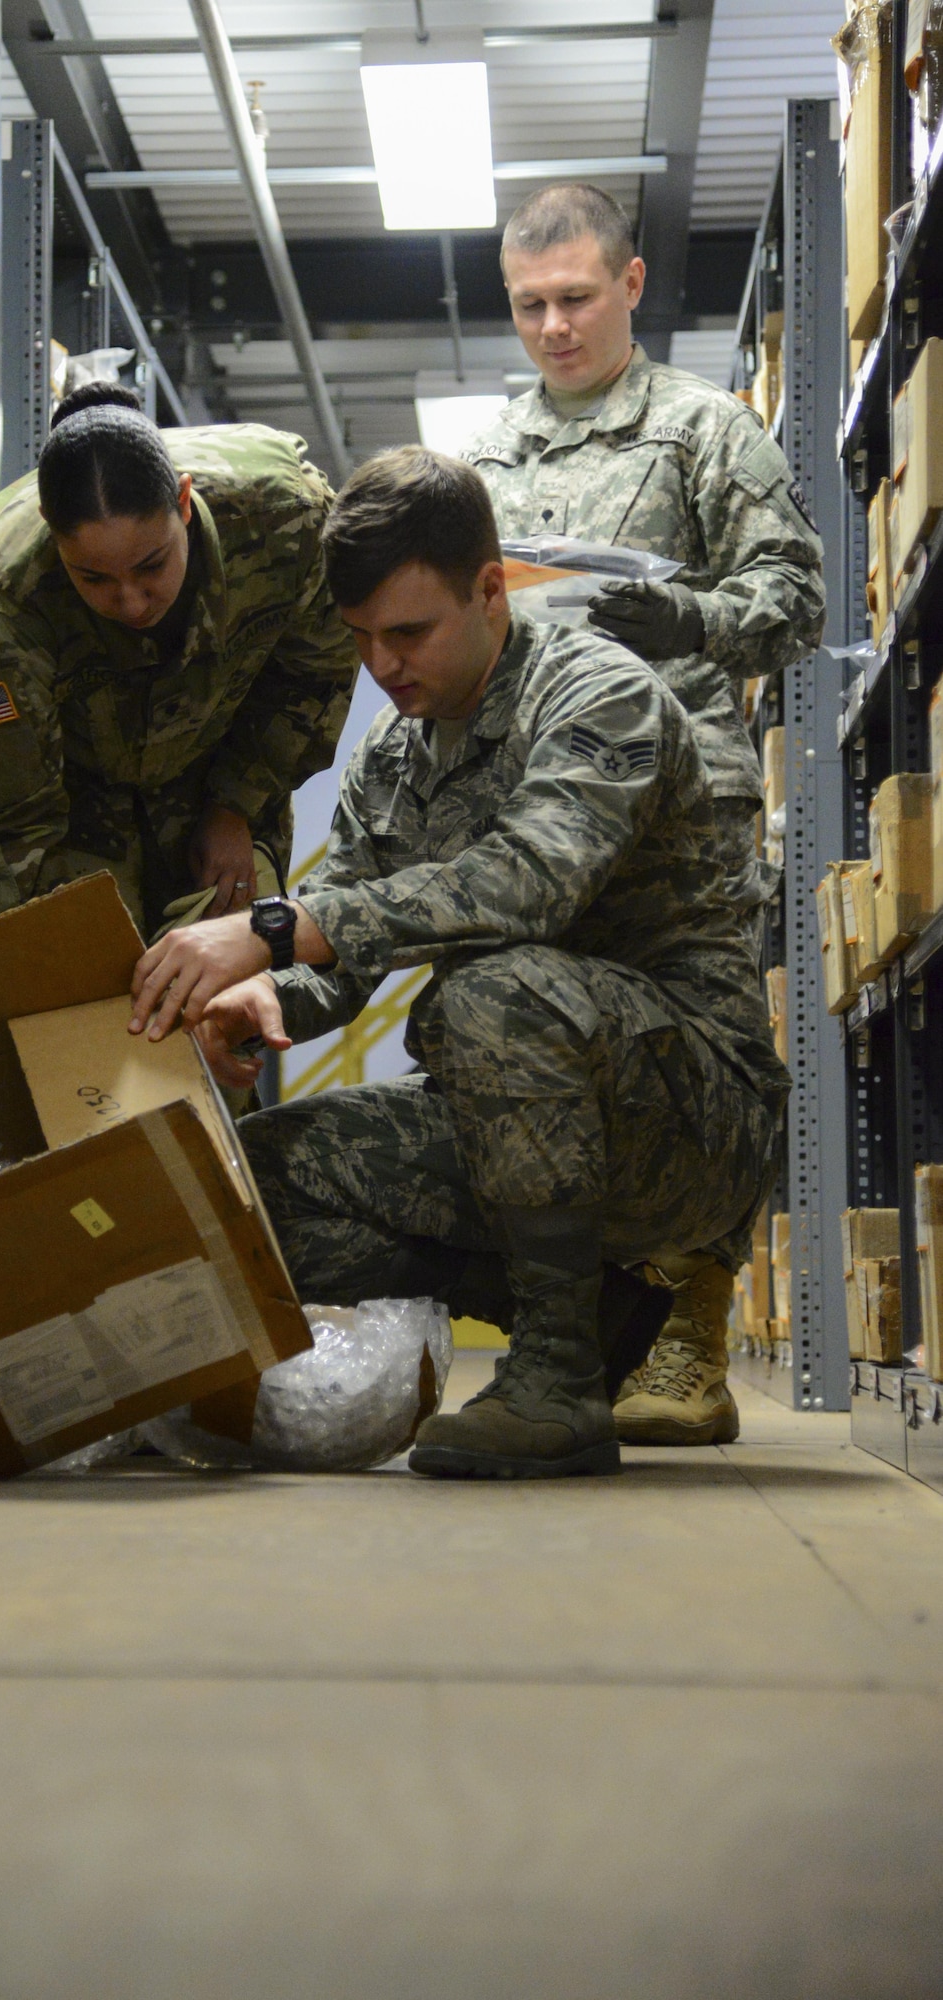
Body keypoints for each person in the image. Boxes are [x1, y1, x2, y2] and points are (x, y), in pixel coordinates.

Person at [125, 449, 789, 1480]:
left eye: (408, 633)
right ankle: (592, 1308)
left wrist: (265, 929)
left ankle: (559, 1377)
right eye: (360, 641)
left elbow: (524, 884)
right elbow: (333, 962)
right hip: (513, 1117)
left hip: (691, 1117)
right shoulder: (395, 760)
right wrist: (267, 998)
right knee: (255, 1187)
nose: (383, 667)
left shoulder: (599, 696)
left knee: (495, 989)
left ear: (489, 591)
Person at [461, 182, 826, 1446]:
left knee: (703, 1055)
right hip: (541, 811)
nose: (552, 326)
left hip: (682, 808)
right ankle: (582, 1327)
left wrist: (693, 621)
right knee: (547, 1054)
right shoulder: (489, 457)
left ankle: (694, 1335)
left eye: (573, 297)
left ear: (627, 285)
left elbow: (795, 595)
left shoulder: (703, 430)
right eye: (527, 305)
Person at [0, 384, 358, 941]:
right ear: (55, 541)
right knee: (88, 993)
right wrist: (62, 942)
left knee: (234, 982)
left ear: (182, 501)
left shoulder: (286, 521)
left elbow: (313, 674)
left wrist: (236, 806)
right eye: (93, 578)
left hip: (221, 763)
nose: (130, 601)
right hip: (73, 797)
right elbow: (5, 819)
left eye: (151, 565)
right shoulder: (2, 607)